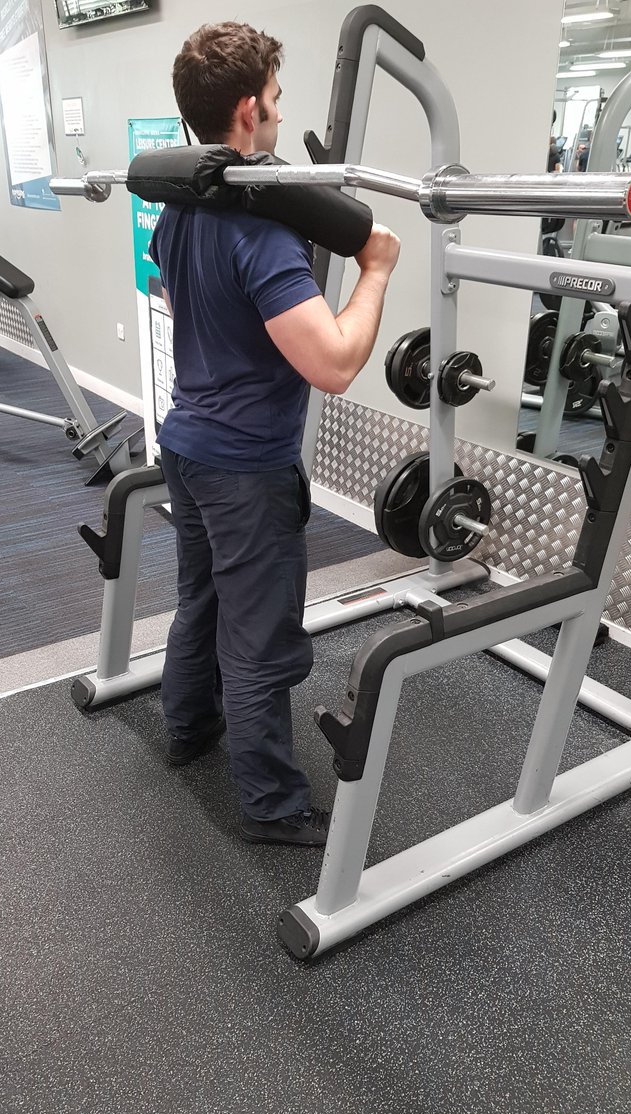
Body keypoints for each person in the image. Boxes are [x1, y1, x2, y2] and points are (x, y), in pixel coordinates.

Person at [148, 21, 401, 847]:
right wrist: (375, 272)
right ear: (250, 111)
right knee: (258, 642)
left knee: (201, 600)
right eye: (278, 100)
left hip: (186, 444)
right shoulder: (258, 230)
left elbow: (184, 303)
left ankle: (188, 729)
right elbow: (333, 363)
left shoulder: (180, 210)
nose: (282, 114)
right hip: (243, 467)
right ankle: (271, 805)